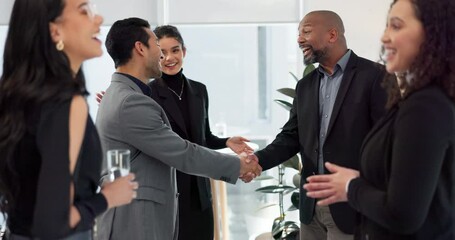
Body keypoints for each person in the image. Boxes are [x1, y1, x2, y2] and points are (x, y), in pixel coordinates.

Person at [95, 17, 261, 240]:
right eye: (156, 44)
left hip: (143, 212)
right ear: (140, 48)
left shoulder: (122, 95)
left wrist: (227, 144)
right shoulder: (131, 102)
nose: (163, 56)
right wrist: (238, 166)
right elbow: (182, 152)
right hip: (136, 219)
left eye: (175, 50)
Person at [304, 0, 455, 239]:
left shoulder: (425, 106)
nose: (384, 37)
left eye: (396, 26)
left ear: (432, 31)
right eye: (386, 26)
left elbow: (403, 214)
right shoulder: (421, 100)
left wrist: (351, 187)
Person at [0, 0, 138, 239]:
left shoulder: (20, 99)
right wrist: (107, 197)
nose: (98, 19)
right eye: (84, 11)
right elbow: (52, 223)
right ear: (55, 30)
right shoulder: (66, 105)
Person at [245, 10, 388, 240]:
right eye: (298, 33)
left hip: (351, 207)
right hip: (310, 210)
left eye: (307, 31)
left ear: (332, 35)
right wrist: (258, 160)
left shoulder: (375, 76)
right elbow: (291, 137)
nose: (299, 39)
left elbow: (388, 143)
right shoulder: (305, 86)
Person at [150, 25, 253, 240]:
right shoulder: (147, 93)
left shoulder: (199, 90)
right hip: (170, 192)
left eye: (175, 50)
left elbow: (203, 139)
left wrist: (226, 141)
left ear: (184, 52)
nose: (169, 58)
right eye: (162, 53)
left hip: (200, 193)